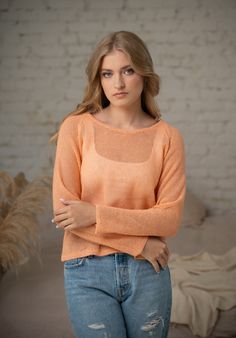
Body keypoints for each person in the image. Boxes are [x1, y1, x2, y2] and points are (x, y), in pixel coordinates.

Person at [50, 31, 186, 338]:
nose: (118, 83)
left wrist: (95, 214)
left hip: (148, 273)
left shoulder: (168, 137)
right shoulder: (77, 128)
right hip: (86, 270)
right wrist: (139, 243)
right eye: (107, 74)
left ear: (144, 72)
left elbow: (169, 219)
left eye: (128, 71)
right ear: (98, 78)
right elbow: (66, 215)